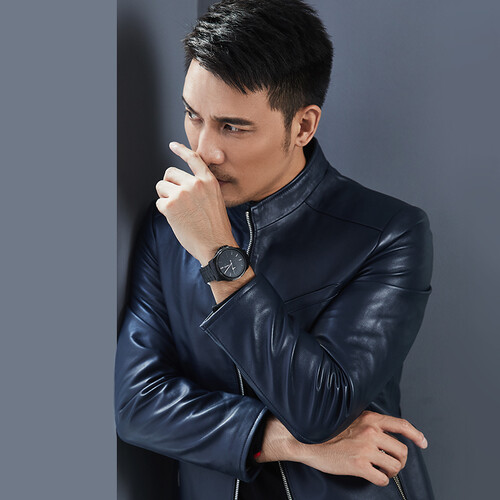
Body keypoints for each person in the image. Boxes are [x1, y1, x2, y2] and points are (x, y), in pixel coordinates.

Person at [114, 1, 434, 499]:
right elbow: (137, 405)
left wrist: (218, 252)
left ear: (302, 126)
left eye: (233, 127)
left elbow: (320, 410)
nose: (204, 150)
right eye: (193, 115)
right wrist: (284, 443)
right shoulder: (165, 229)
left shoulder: (389, 233)